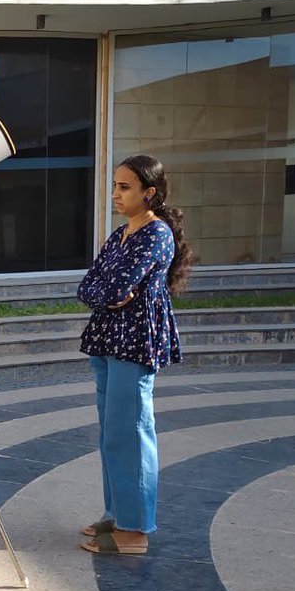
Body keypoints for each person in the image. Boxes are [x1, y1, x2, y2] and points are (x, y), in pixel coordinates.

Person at [77, 154, 194, 556]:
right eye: (115, 185)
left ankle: (135, 530)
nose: (115, 194)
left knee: (131, 432)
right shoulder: (121, 233)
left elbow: (114, 287)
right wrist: (107, 293)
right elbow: (89, 287)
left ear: (151, 192)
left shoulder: (156, 234)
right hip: (109, 337)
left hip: (134, 339)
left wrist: (110, 293)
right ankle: (117, 513)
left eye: (124, 187)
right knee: (112, 433)